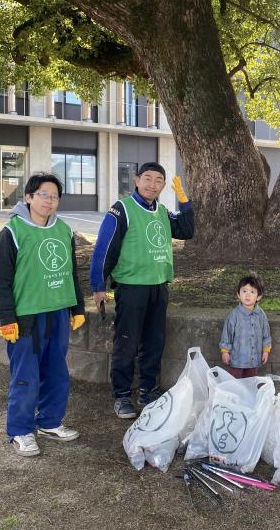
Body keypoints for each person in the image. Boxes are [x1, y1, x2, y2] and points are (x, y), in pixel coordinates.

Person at [0, 173, 86, 456]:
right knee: (26, 376)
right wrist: (6, 318)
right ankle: (20, 430)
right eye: (44, 195)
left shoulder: (64, 231)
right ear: (29, 197)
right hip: (26, 318)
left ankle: (49, 422)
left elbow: (71, 273)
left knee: (57, 371)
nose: (50, 201)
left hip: (57, 312)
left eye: (55, 196)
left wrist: (77, 308)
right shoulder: (13, 232)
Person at [90, 162, 194, 419]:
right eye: (147, 178)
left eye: (159, 180)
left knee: (154, 342)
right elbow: (105, 248)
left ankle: (149, 389)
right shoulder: (121, 209)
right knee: (127, 342)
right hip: (132, 287)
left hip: (158, 286)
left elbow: (187, 230)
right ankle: (122, 395)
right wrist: (98, 284)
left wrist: (185, 201)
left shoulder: (162, 211)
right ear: (137, 180)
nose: (152, 184)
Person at [219, 275, 272, 378]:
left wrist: (266, 351)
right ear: (238, 294)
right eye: (244, 291)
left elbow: (266, 334)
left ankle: (248, 394)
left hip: (254, 358)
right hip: (238, 359)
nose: (248, 295)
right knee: (235, 380)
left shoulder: (260, 315)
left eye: (252, 292)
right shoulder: (234, 315)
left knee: (251, 381)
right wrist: (225, 352)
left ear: (259, 296)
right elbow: (227, 334)